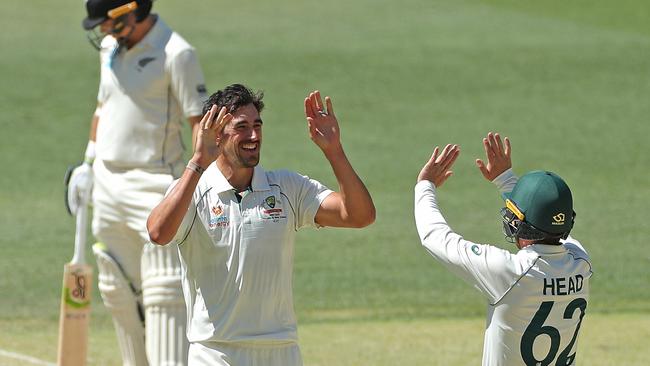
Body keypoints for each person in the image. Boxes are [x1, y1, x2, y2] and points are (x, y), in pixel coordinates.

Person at [146, 84, 375, 365]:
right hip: (215, 352)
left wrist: (334, 151)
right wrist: (197, 162)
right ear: (217, 134)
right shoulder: (193, 191)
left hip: (280, 349)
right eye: (241, 127)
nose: (254, 135)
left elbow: (359, 216)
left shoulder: (286, 188)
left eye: (257, 125)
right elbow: (158, 232)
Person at [66, 0, 208, 364]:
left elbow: (199, 125)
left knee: (163, 293)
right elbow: (103, 108)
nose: (102, 33)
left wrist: (201, 184)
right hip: (107, 184)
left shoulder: (177, 53)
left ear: (132, 12)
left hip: (155, 185)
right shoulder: (112, 49)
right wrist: (88, 162)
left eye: (108, 23)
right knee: (115, 287)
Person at [414, 133, 592, 366]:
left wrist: (424, 186)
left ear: (517, 222)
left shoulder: (509, 273)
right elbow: (550, 225)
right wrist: (505, 179)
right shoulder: (581, 262)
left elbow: (435, 237)